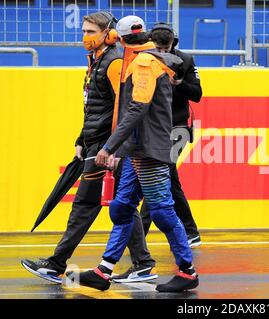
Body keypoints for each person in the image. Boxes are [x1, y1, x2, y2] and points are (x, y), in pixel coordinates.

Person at [66, 15, 199, 293]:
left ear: (119, 37)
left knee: (162, 212)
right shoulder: (144, 60)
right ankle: (104, 271)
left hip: (149, 150)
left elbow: (137, 109)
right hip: (138, 149)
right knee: (122, 206)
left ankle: (187, 272)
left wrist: (109, 146)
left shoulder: (143, 64)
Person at [19, 11, 140, 283]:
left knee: (85, 205)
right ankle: (144, 263)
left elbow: (122, 109)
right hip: (97, 143)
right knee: (124, 204)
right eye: (83, 31)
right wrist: (80, 140)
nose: (85, 37)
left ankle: (55, 263)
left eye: (91, 32)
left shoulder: (113, 63)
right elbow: (94, 108)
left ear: (108, 35)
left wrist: (112, 148)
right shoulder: (96, 61)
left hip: (107, 147)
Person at [111, 22, 203, 284]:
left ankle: (168, 234)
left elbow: (197, 94)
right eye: (159, 47)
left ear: (174, 44)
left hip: (177, 127)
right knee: (164, 180)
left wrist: (179, 82)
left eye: (167, 47)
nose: (163, 51)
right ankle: (187, 230)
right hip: (153, 129)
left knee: (163, 177)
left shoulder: (183, 60)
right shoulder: (145, 60)